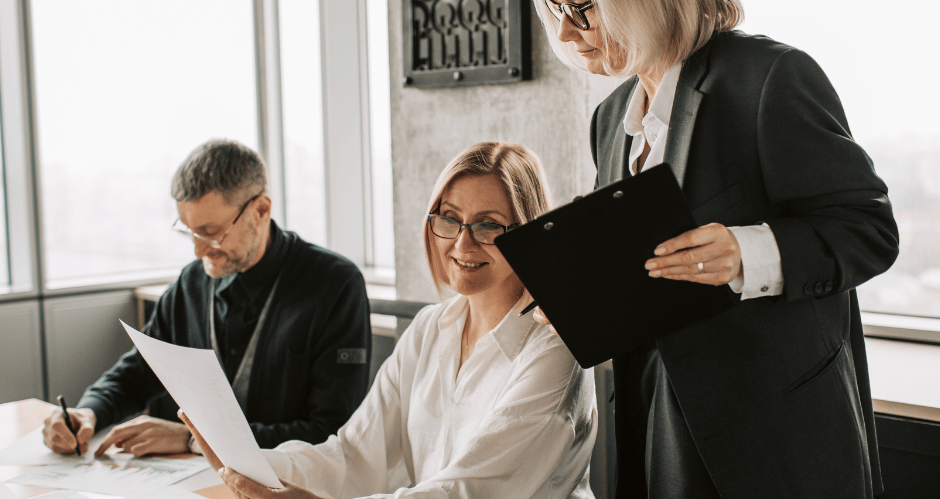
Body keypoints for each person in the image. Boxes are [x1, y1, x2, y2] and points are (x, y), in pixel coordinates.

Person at [532, 1, 900, 498]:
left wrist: (745, 253)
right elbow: (646, 274)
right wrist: (584, 304)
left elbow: (869, 229)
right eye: (554, 10)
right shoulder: (611, 117)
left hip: (776, 436)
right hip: (653, 426)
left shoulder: (770, 76)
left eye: (580, 7)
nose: (566, 34)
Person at [182, 142, 598, 499]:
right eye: (449, 218)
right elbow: (353, 455)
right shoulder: (429, 329)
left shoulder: (556, 349)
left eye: (489, 225)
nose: (462, 242)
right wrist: (249, 465)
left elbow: (468, 490)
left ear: (528, 231)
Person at [42, 139, 372, 457]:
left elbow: (331, 432)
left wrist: (194, 440)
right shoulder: (192, 283)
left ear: (261, 210)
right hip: (199, 478)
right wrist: (88, 412)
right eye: (190, 231)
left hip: (289, 482)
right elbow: (139, 373)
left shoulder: (335, 285)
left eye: (211, 233)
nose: (199, 251)